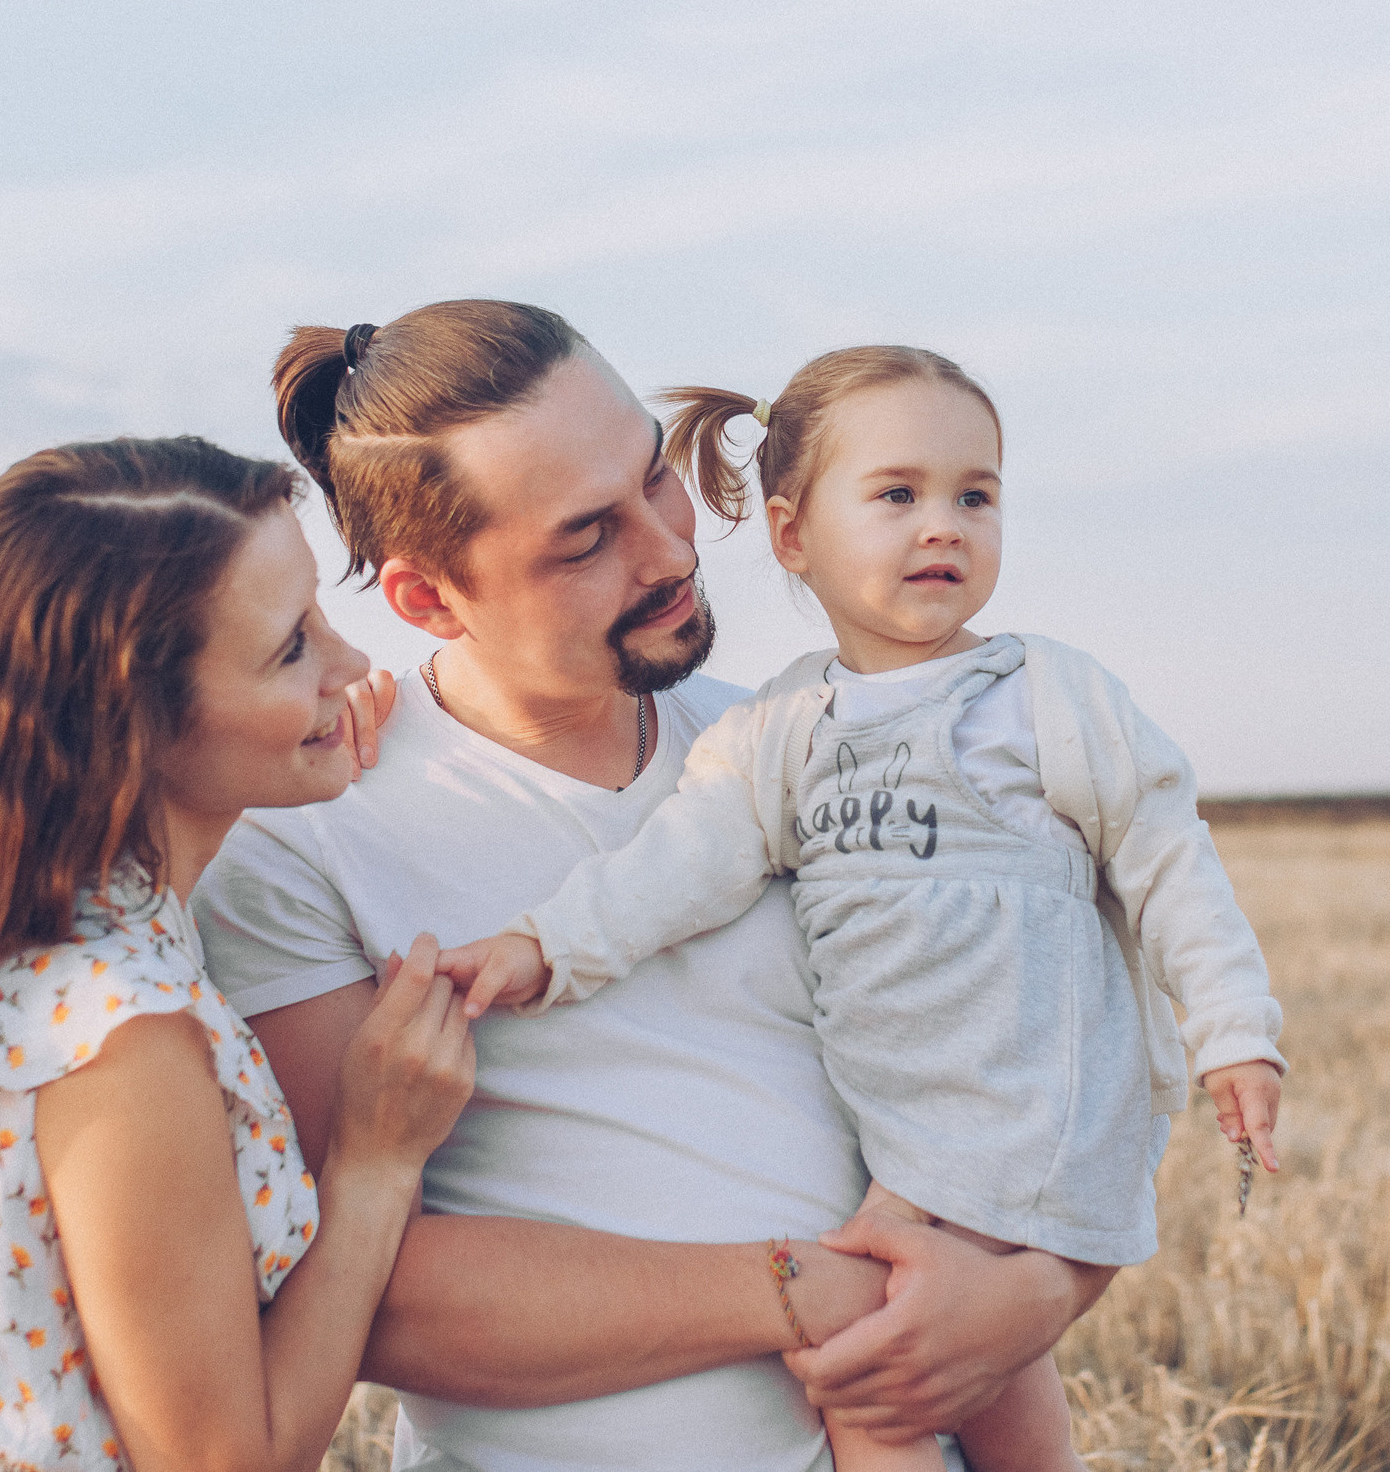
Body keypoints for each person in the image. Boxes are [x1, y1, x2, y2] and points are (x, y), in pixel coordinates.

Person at [192, 303, 1113, 1472]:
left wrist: (1036, 1295)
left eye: (655, 479)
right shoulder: (308, 835)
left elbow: (992, 1098)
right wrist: (800, 1293)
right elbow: (366, 1291)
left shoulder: (807, 747)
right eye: (584, 539)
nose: (671, 549)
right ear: (428, 599)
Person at [436, 346, 1289, 1471]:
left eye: (974, 496)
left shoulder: (1044, 696)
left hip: (1030, 1103)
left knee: (876, 1391)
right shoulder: (779, 730)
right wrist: (547, 945)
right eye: (897, 495)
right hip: (903, 1134)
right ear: (792, 535)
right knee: (947, 1377)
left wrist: (1234, 1035)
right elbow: (680, 864)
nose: (944, 526)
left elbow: (1169, 858)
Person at [0, 436, 477, 1472]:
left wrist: (305, 735)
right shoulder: (120, 1030)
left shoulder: (18, 935)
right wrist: (377, 1163)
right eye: (291, 647)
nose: (355, 665)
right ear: (134, 721)